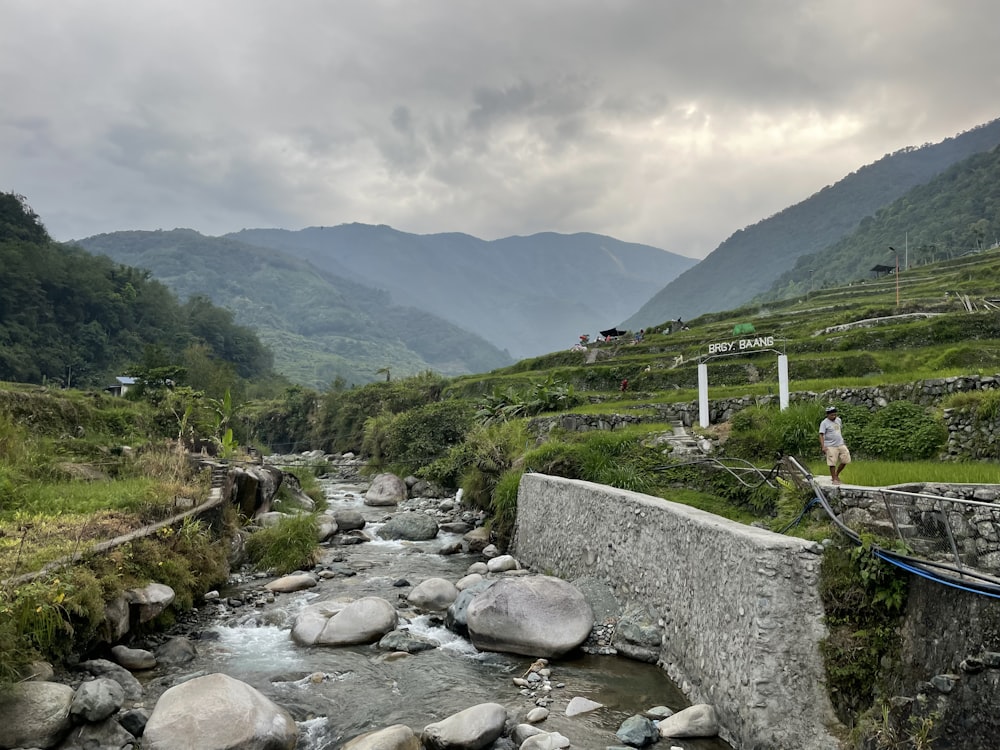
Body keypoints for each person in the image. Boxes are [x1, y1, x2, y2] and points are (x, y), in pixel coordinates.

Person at [819, 405, 851, 485]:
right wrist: (823, 446)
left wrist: (843, 441)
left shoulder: (838, 420)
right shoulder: (824, 423)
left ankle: (836, 474)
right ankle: (834, 478)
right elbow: (821, 435)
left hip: (840, 443)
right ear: (828, 415)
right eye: (832, 415)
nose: (834, 416)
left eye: (835, 414)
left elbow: (839, 431)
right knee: (832, 462)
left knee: (845, 459)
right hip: (830, 445)